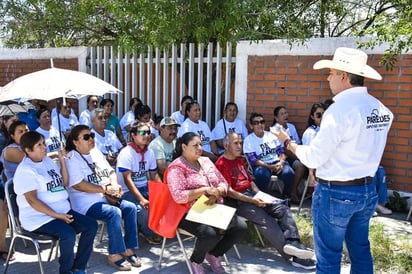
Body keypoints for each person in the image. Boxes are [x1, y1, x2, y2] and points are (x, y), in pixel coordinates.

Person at [273, 47, 393, 274]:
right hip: (367, 189)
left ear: (344, 76)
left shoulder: (339, 111)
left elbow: (315, 156)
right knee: (360, 250)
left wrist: (289, 143)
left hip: (337, 192)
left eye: (331, 72)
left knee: (328, 258)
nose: (328, 77)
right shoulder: (380, 109)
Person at [215, 132, 315, 270]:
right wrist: (252, 200)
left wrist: (260, 195)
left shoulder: (239, 160)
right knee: (265, 219)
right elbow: (230, 192)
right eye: (236, 143)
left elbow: (251, 182)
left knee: (282, 207)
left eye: (240, 143)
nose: (240, 146)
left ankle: (293, 242)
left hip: (251, 196)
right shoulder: (221, 163)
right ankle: (293, 257)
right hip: (237, 201)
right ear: (226, 145)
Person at [14, 131, 98, 274]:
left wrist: (62, 160)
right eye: (39, 145)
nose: (44, 147)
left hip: (61, 212)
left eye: (43, 143)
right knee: (68, 234)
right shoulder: (25, 170)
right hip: (39, 218)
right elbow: (33, 201)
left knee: (91, 225)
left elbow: (64, 183)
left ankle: (79, 267)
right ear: (28, 150)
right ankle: (66, 271)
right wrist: (57, 215)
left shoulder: (46, 161)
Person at [167, 132, 247, 274]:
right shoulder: (177, 168)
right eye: (195, 145)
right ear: (184, 147)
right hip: (187, 212)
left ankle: (214, 254)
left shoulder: (206, 161)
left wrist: (220, 189)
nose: (199, 148)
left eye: (200, 145)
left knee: (240, 226)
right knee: (210, 234)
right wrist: (204, 190)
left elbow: (223, 181)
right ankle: (196, 260)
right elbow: (178, 196)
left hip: (211, 208)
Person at [65, 125, 140, 271]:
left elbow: (111, 171)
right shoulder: (71, 158)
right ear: (75, 141)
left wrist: (114, 186)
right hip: (85, 204)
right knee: (114, 212)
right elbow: (78, 185)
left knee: (130, 208)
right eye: (86, 137)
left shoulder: (96, 152)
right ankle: (114, 254)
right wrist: (105, 189)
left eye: (91, 135)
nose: (91, 139)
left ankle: (128, 248)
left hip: (104, 197)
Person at [116, 122, 163, 245]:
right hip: (127, 191)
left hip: (145, 187)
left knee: (162, 203)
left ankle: (154, 227)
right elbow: (128, 180)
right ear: (133, 135)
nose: (146, 135)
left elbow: (154, 175)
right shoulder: (126, 153)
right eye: (142, 132)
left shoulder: (150, 152)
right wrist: (142, 199)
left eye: (148, 132)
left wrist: (163, 191)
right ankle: (148, 232)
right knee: (143, 209)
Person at [243, 113, 295, 198]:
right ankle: (264, 198)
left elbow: (281, 152)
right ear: (251, 126)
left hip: (277, 163)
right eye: (256, 123)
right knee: (261, 174)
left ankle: (286, 196)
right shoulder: (248, 140)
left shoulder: (271, 135)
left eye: (262, 122)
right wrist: (270, 167)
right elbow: (254, 161)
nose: (260, 125)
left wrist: (281, 163)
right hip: (262, 165)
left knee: (289, 173)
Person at [273, 106, 307, 203]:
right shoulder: (275, 129)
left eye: (286, 113)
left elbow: (298, 142)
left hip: (294, 154)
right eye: (282, 114)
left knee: (300, 166)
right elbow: (282, 149)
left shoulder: (291, 127)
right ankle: (288, 193)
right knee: (297, 165)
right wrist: (299, 156)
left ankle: (293, 192)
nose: (285, 115)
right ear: (276, 118)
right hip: (282, 157)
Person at [301, 103, 325, 187]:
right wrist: (311, 173)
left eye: (324, 114)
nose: (322, 117)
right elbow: (309, 154)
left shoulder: (326, 129)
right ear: (312, 117)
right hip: (317, 167)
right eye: (318, 115)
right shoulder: (310, 133)